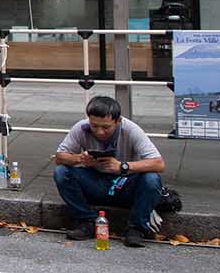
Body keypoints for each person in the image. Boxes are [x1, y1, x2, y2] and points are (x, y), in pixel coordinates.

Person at [53, 95, 167, 247]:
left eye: (106, 127)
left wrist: (123, 166)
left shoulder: (131, 129)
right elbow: (59, 158)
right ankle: (87, 221)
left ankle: (137, 228)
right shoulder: (81, 128)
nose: (99, 132)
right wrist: (80, 159)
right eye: (94, 126)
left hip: (125, 182)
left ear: (118, 121)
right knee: (61, 172)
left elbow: (159, 164)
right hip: (95, 181)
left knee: (151, 179)